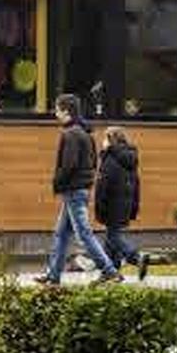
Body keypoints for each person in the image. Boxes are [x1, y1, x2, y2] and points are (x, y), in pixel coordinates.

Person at [35, 93, 122, 285]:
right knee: (61, 234)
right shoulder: (84, 133)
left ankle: (109, 271)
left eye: (57, 109)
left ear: (66, 111)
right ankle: (53, 275)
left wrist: (57, 182)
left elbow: (69, 165)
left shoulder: (71, 134)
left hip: (73, 190)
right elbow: (92, 162)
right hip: (78, 190)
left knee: (83, 234)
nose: (55, 113)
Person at [95, 126, 150, 281]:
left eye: (105, 138)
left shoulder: (110, 158)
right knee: (110, 239)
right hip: (125, 205)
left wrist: (99, 207)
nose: (103, 142)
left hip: (112, 205)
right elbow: (136, 185)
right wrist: (134, 206)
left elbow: (103, 186)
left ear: (111, 140)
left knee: (113, 238)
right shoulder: (130, 158)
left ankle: (136, 257)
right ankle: (111, 272)